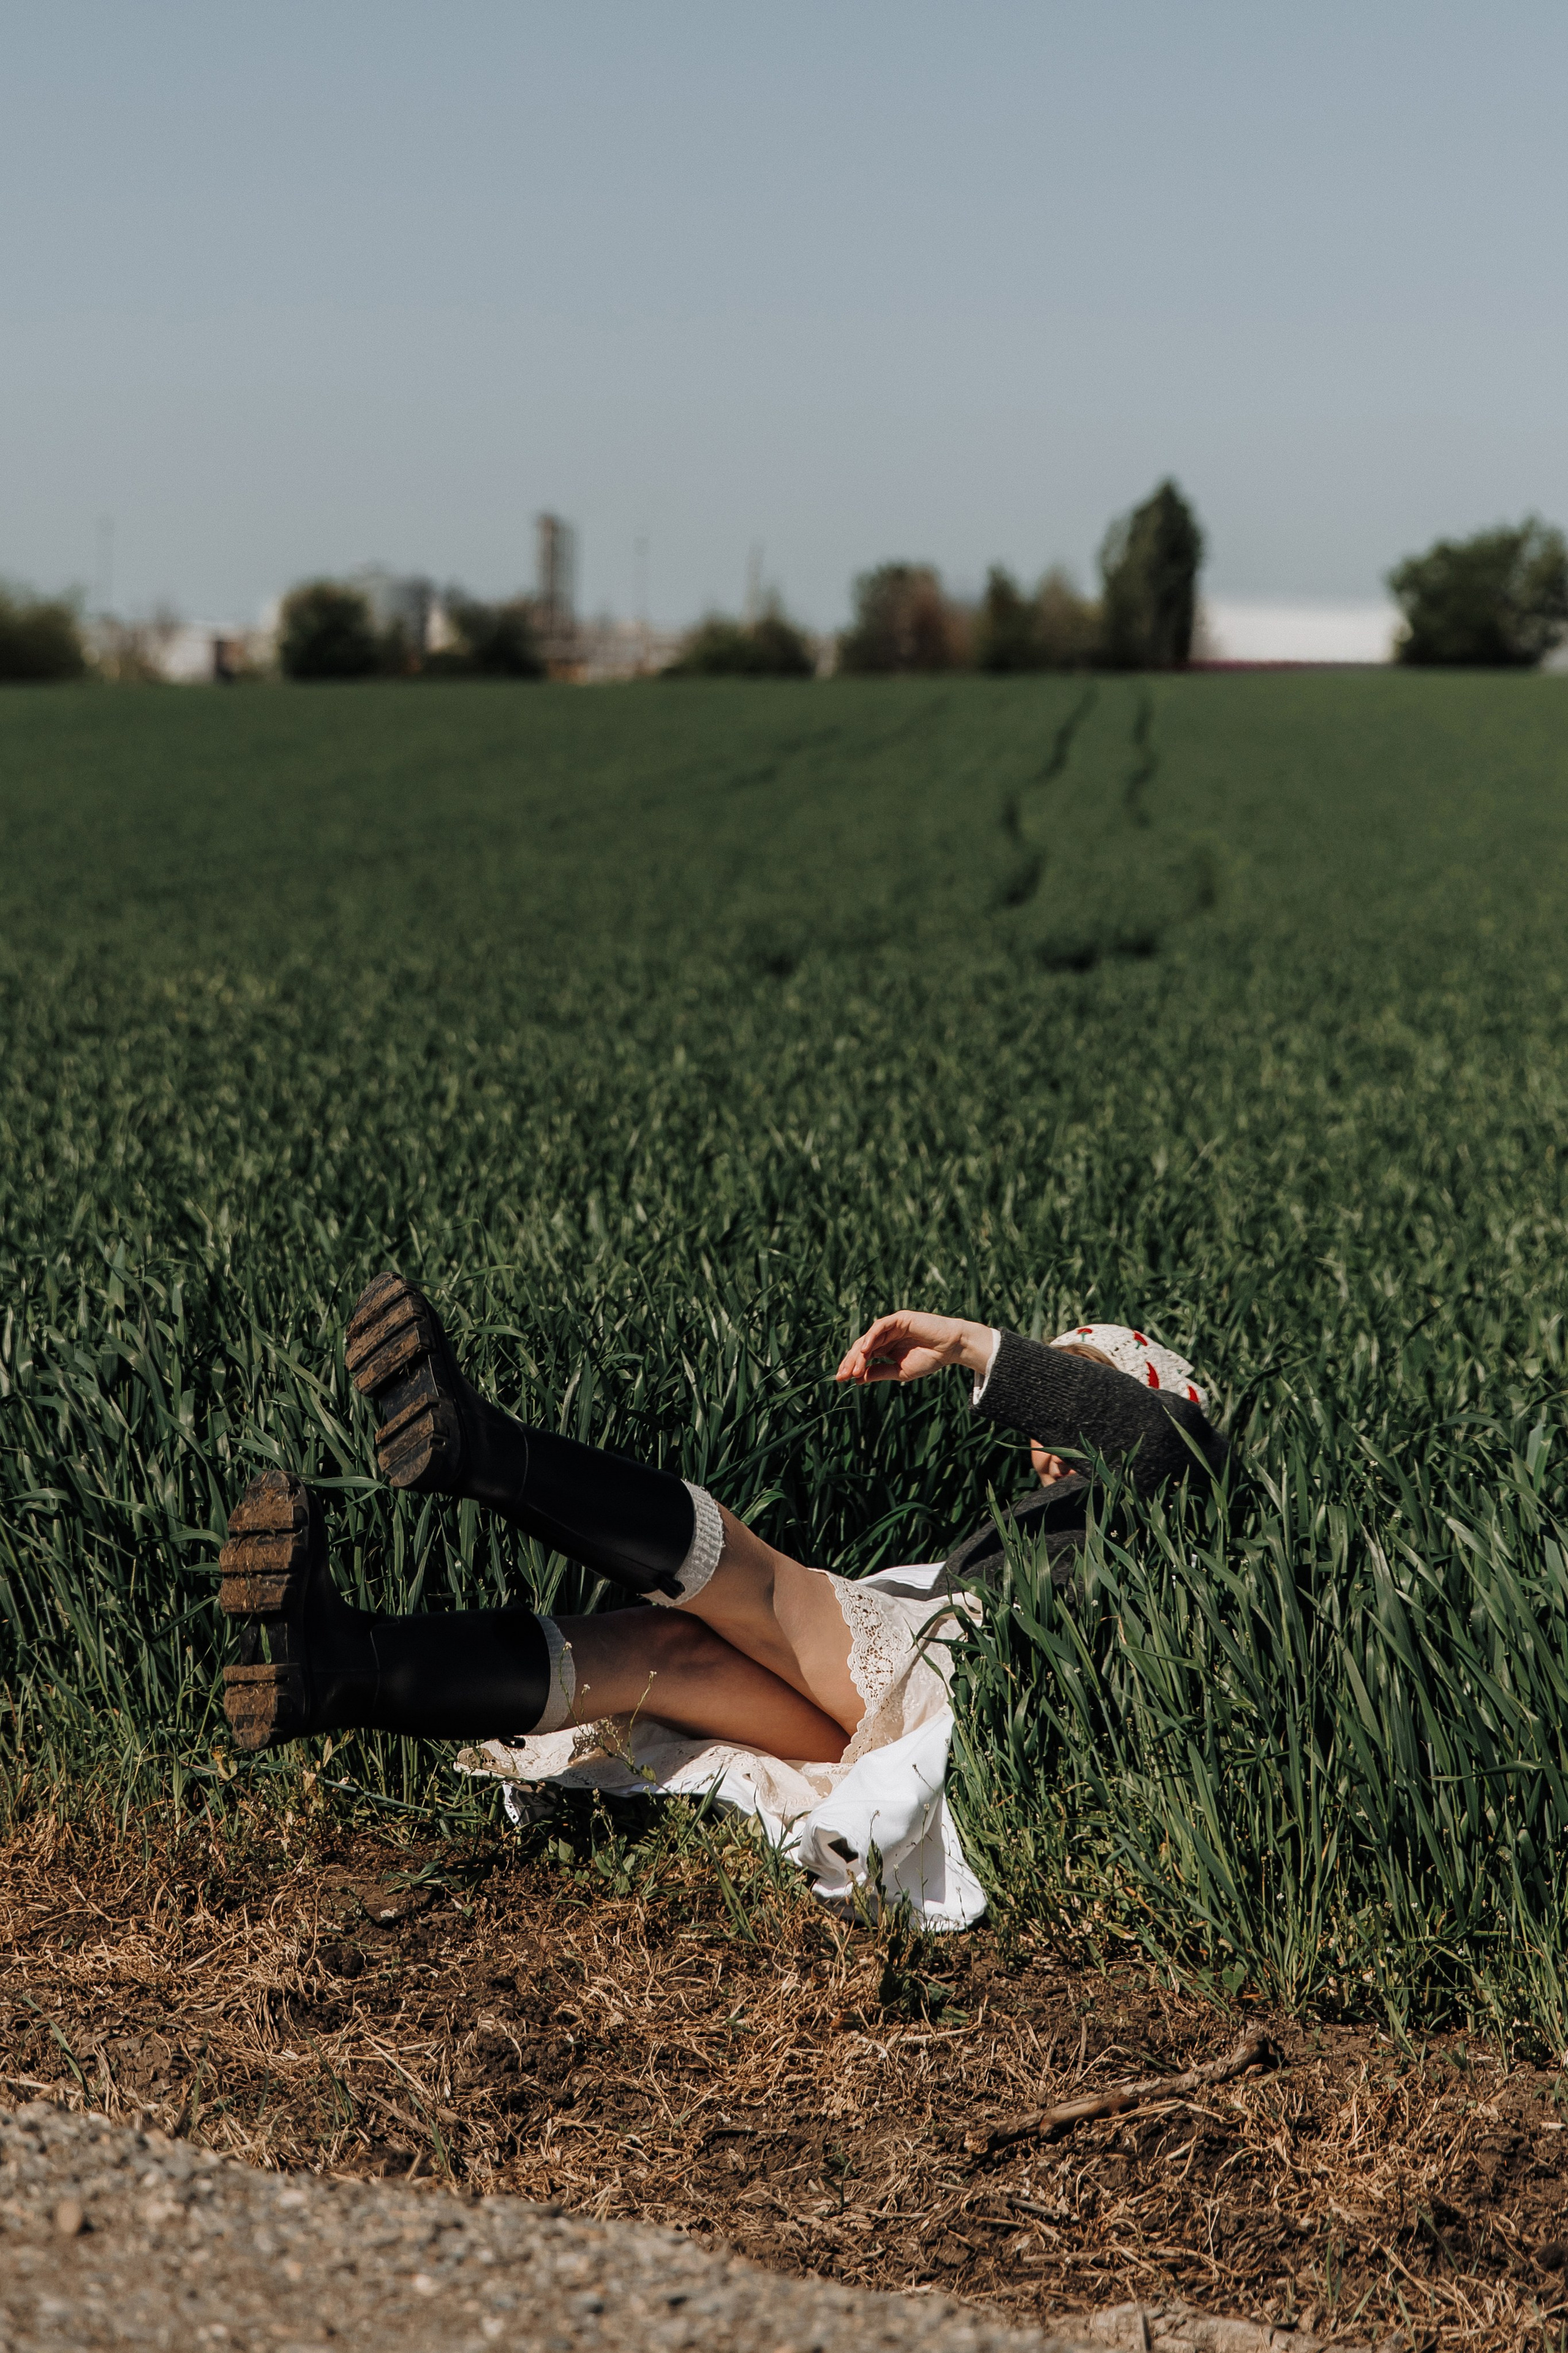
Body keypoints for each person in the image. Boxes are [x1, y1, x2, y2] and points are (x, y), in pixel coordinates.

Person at [219, 1279, 1227, 1765]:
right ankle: (338, 1668)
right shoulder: (1052, 1535)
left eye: (1074, 1398)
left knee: (756, 1574)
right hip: (913, 1724)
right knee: (657, 1652)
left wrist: (967, 1341)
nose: (1047, 1441)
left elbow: (1164, 1441)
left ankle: (480, 1446)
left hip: (971, 1691)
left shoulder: (1185, 1507)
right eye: (1044, 1414)